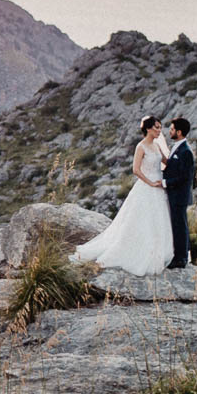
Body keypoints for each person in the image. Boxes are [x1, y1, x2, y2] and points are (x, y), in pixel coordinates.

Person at [72, 116, 174, 275]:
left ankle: (160, 251)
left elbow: (166, 162)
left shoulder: (156, 145)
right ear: (147, 129)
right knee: (143, 219)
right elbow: (136, 170)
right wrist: (150, 182)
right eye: (156, 127)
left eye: (160, 127)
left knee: (159, 219)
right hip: (147, 186)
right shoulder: (141, 147)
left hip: (160, 186)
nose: (159, 131)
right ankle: (138, 251)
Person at [162, 117, 196, 269]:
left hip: (179, 195)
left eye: (172, 129)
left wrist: (164, 183)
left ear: (179, 132)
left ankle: (181, 258)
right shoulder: (177, 147)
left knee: (180, 226)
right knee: (177, 224)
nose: (170, 131)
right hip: (174, 194)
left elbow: (184, 177)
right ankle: (180, 254)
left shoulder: (186, 151)